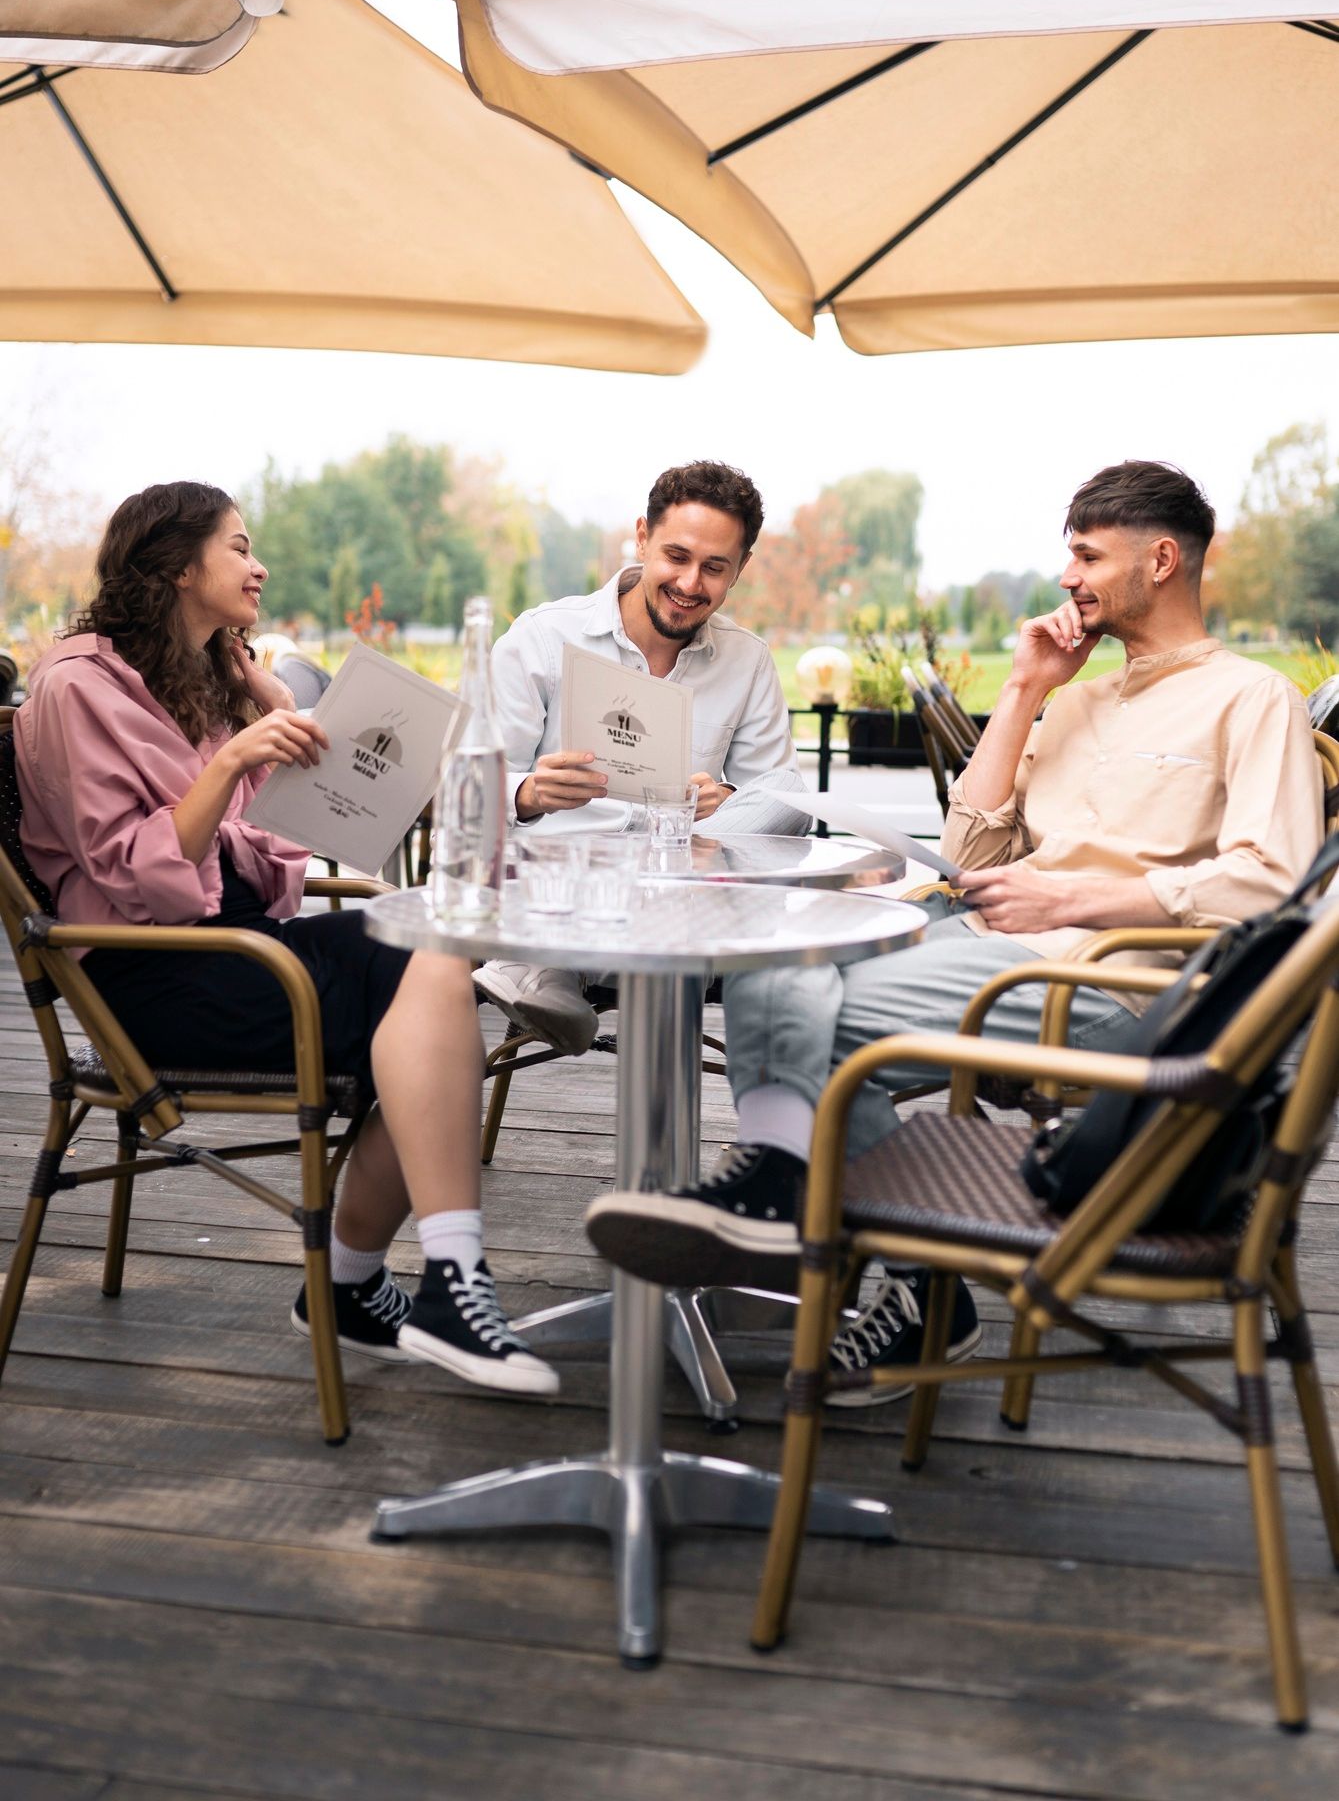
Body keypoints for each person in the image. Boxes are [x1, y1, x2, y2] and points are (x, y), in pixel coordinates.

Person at [586, 460, 1325, 1402]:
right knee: (780, 960)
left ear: (1161, 561)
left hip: (1103, 978)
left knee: (812, 1029)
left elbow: (1271, 885)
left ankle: (829, 1229)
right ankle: (847, 1237)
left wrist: (1071, 901)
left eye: (1088, 557)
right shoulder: (1076, 696)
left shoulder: (1250, 697)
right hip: (983, 934)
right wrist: (1021, 691)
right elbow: (970, 848)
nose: (1068, 576)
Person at [14, 482, 557, 1397]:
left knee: (431, 951)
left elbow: (278, 856)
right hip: (158, 975)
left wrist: (268, 709)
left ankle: (392, 1282)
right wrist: (235, 755)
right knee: (427, 1003)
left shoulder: (199, 679)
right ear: (176, 567)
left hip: (242, 943)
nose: (258, 565)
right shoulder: (76, 687)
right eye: (239, 547)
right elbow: (131, 877)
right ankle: (409, 1283)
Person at [475, 459, 809, 1053]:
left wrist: (727, 800)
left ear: (741, 569)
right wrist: (528, 792)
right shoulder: (544, 637)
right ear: (641, 538)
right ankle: (563, 967)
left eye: (715, 568)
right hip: (561, 886)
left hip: (681, 896)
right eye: (676, 556)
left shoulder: (747, 659)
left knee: (788, 794)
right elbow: (469, 786)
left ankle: (548, 971)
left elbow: (776, 800)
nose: (690, 583)